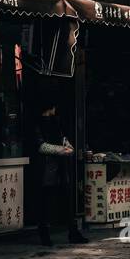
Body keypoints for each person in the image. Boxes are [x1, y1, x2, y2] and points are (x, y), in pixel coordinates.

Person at [34, 100, 88, 247]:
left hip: (60, 167)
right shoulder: (37, 123)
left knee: (66, 202)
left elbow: (64, 139)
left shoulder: (56, 122)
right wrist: (63, 150)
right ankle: (45, 235)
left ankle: (73, 232)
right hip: (46, 168)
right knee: (45, 204)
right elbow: (41, 146)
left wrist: (67, 147)